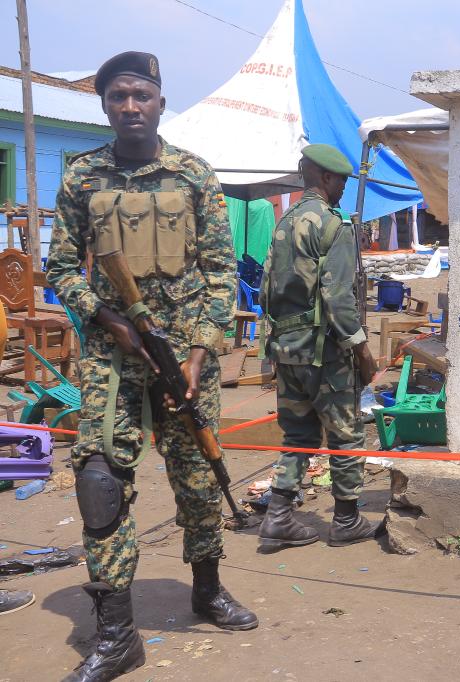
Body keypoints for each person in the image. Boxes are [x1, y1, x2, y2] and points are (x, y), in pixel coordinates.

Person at [47, 51, 257, 682]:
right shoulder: (82, 177)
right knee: (100, 481)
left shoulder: (193, 174)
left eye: (141, 95)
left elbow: (221, 272)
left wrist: (199, 353)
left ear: (161, 103)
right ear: (104, 105)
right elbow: (61, 267)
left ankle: (207, 588)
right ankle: (117, 634)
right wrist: (105, 316)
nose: (130, 106)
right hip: (113, 358)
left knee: (197, 478)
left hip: (183, 357)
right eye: (118, 96)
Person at [257, 144, 380, 552]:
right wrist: (361, 350)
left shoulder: (285, 221)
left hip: (286, 350)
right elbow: (338, 297)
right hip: (324, 353)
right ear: (326, 178)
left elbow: (265, 288)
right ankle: (346, 520)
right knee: (346, 435)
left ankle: (278, 516)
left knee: (297, 434)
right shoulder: (333, 225)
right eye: (341, 181)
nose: (343, 188)